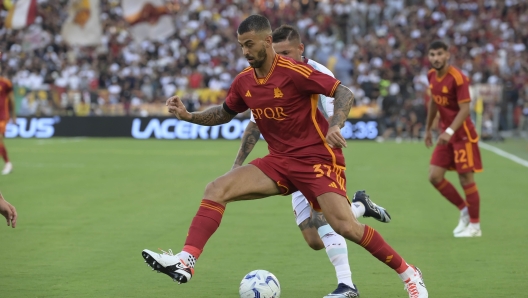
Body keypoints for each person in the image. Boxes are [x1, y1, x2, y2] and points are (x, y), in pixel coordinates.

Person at [142, 15, 427, 298]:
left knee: (344, 226)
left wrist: (336, 125)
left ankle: (409, 274)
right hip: (278, 161)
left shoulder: (294, 72)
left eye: (250, 44)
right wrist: (188, 116)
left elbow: (343, 92)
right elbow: (224, 113)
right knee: (216, 189)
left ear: (267, 42)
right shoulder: (244, 81)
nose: (245, 51)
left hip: (317, 159)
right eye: (241, 46)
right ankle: (186, 260)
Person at [231, 25, 391, 298]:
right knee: (314, 240)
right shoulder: (268, 75)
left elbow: (336, 109)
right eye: (277, 53)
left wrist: (333, 130)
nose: (282, 58)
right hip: (286, 161)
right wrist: (237, 166)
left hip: (317, 159)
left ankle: (347, 286)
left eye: (287, 53)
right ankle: (359, 207)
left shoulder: (316, 74)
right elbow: (255, 123)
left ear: (301, 49)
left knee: (324, 219)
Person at [425, 40, 483, 237]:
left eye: (439, 54)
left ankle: (475, 227)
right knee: (434, 176)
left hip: (462, 136)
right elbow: (434, 102)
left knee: (465, 178)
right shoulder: (431, 75)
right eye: (432, 54)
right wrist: (427, 129)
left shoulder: (458, 78)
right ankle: (465, 210)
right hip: (445, 135)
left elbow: (466, 108)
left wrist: (449, 131)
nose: (436, 58)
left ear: (447, 55)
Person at [0, 69, 15, 175]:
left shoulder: (6, 83)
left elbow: (12, 99)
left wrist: (13, 115)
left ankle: (8, 163)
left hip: (2, 116)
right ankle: (8, 163)